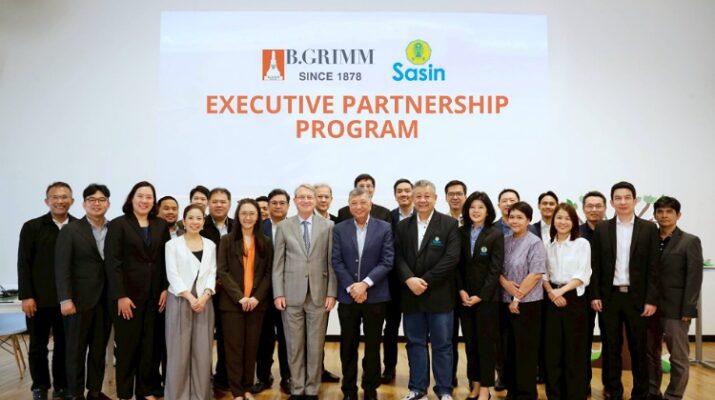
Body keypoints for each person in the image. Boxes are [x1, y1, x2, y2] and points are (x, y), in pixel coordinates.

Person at [590, 181, 659, 400]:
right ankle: (614, 391)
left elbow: (654, 267)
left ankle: (640, 392)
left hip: (637, 298)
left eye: (627, 197)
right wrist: (595, 294)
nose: (622, 202)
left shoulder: (649, 229)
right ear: (611, 203)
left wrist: (651, 299)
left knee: (639, 348)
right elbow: (595, 265)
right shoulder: (602, 228)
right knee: (611, 347)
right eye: (618, 198)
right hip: (609, 297)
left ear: (635, 201)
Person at [394, 179, 460, 400]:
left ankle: (444, 390)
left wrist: (424, 281)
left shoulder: (449, 224)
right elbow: (398, 257)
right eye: (418, 196)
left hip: (439, 295)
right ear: (413, 198)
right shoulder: (402, 226)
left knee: (443, 345)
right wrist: (409, 279)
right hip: (411, 295)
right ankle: (417, 388)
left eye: (427, 196)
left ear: (435, 198)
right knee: (415, 343)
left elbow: (451, 259)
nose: (422, 200)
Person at [105, 181, 170, 400]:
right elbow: (113, 263)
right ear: (131, 199)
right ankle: (125, 393)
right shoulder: (118, 224)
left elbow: (166, 259)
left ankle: (145, 390)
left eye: (149, 197)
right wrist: (120, 295)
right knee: (127, 346)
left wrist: (165, 288)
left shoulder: (160, 225)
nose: (144, 200)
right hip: (128, 297)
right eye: (140, 196)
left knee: (149, 346)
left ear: (154, 201)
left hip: (155, 296)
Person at [273, 184, 337, 400]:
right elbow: (278, 264)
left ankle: (312, 389)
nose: (306, 200)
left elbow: (331, 262)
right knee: (294, 345)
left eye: (310, 197)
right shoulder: (284, 226)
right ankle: (297, 388)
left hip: (319, 294)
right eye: (301, 197)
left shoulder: (328, 226)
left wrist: (332, 293)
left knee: (315, 345)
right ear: (295, 201)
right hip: (290, 294)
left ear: (315, 200)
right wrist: (278, 293)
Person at [332, 188, 394, 400]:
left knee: (373, 345)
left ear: (370, 204)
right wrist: (352, 287)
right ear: (349, 206)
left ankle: (370, 388)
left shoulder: (384, 227)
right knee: (348, 345)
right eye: (354, 203)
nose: (358, 207)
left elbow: (387, 260)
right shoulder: (339, 229)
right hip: (348, 297)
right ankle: (349, 389)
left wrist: (365, 284)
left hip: (375, 296)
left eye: (362, 202)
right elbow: (336, 260)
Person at [18, 181, 76, 400]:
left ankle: (62, 386)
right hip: (39, 299)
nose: (60, 201)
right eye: (55, 197)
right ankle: (39, 386)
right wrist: (26, 296)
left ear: (72, 200)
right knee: (37, 346)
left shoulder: (79, 226)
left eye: (64, 197)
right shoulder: (32, 227)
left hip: (68, 300)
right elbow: (23, 263)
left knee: (64, 346)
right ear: (47, 201)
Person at [55, 183, 112, 400]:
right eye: (91, 200)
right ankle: (75, 393)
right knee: (76, 350)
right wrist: (65, 298)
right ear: (83, 203)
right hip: (78, 301)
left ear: (108, 203)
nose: (96, 204)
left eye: (101, 200)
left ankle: (94, 391)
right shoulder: (71, 230)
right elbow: (62, 267)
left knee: (98, 349)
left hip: (105, 299)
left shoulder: (114, 228)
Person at [646, 196, 703, 400]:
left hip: (676, 309)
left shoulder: (690, 241)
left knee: (678, 356)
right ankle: (653, 392)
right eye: (660, 211)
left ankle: (674, 395)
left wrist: (688, 309)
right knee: (650, 354)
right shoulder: (649, 239)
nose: (664, 215)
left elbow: (694, 278)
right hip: (649, 307)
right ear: (655, 215)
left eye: (669, 211)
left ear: (678, 215)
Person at [219, 199, 273, 400]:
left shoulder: (265, 241)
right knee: (234, 349)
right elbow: (223, 271)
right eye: (244, 213)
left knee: (251, 348)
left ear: (258, 217)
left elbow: (268, 274)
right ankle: (237, 391)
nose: (248, 217)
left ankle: (247, 388)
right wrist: (240, 297)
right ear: (238, 215)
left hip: (256, 305)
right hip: (232, 304)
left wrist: (256, 298)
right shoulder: (227, 240)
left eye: (252, 213)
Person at [164, 204, 216, 400]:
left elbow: (212, 273)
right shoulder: (172, 245)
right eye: (191, 218)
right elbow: (172, 274)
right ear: (184, 221)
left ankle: (200, 395)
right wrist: (190, 297)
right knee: (178, 351)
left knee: (202, 351)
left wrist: (204, 296)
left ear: (204, 222)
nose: (195, 222)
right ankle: (177, 395)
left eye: (199, 218)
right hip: (180, 299)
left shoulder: (210, 245)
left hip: (204, 302)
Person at [456, 191, 504, 400]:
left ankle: (485, 389)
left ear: (488, 211)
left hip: (487, 300)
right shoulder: (460, 232)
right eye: (472, 207)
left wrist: (481, 296)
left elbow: (495, 269)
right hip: (465, 298)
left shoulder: (495, 234)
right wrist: (461, 290)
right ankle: (474, 385)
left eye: (480, 207)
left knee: (485, 345)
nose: (476, 211)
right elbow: (457, 266)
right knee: (470, 344)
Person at [542, 203, 591, 400]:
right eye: (559, 217)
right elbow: (542, 273)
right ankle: (554, 395)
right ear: (553, 220)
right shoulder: (547, 244)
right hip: (551, 297)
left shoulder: (582, 244)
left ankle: (575, 394)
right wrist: (552, 292)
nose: (563, 222)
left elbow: (583, 274)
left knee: (574, 350)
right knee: (552, 350)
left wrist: (560, 291)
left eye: (567, 218)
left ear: (574, 222)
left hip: (573, 299)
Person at [499, 201, 546, 400]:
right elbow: (497, 269)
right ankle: (512, 391)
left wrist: (516, 298)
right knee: (508, 350)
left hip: (528, 305)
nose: (515, 221)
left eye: (520, 217)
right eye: (512, 217)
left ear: (528, 220)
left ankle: (526, 394)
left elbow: (535, 274)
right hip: (505, 302)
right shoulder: (504, 241)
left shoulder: (535, 242)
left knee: (525, 351)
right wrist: (505, 284)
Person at [253, 188, 292, 395]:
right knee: (263, 338)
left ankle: (287, 377)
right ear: (267, 206)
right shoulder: (258, 228)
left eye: (282, 203)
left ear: (288, 206)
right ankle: (263, 376)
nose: (278, 206)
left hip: (289, 292)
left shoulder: (295, 227)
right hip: (263, 293)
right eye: (274, 203)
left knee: (288, 339)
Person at [201, 187, 233, 391]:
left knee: (227, 337)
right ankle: (202, 378)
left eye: (223, 201)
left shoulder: (237, 226)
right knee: (203, 338)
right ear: (208, 204)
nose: (219, 205)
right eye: (215, 201)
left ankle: (223, 378)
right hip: (204, 291)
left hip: (230, 292)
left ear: (229, 204)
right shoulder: (199, 224)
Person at [382, 178, 414, 384]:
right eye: (399, 191)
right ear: (395, 195)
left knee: (415, 329)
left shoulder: (422, 216)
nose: (404, 194)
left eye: (407, 190)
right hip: (393, 282)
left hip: (416, 283)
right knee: (391, 328)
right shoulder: (388, 217)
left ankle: (416, 370)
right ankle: (389, 367)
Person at [580, 190, 607, 394]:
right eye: (590, 206)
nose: (594, 209)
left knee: (611, 341)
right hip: (581, 294)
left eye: (598, 206)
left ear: (605, 208)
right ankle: (584, 383)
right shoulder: (576, 232)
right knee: (583, 341)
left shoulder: (612, 231)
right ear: (583, 209)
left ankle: (610, 385)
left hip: (608, 295)